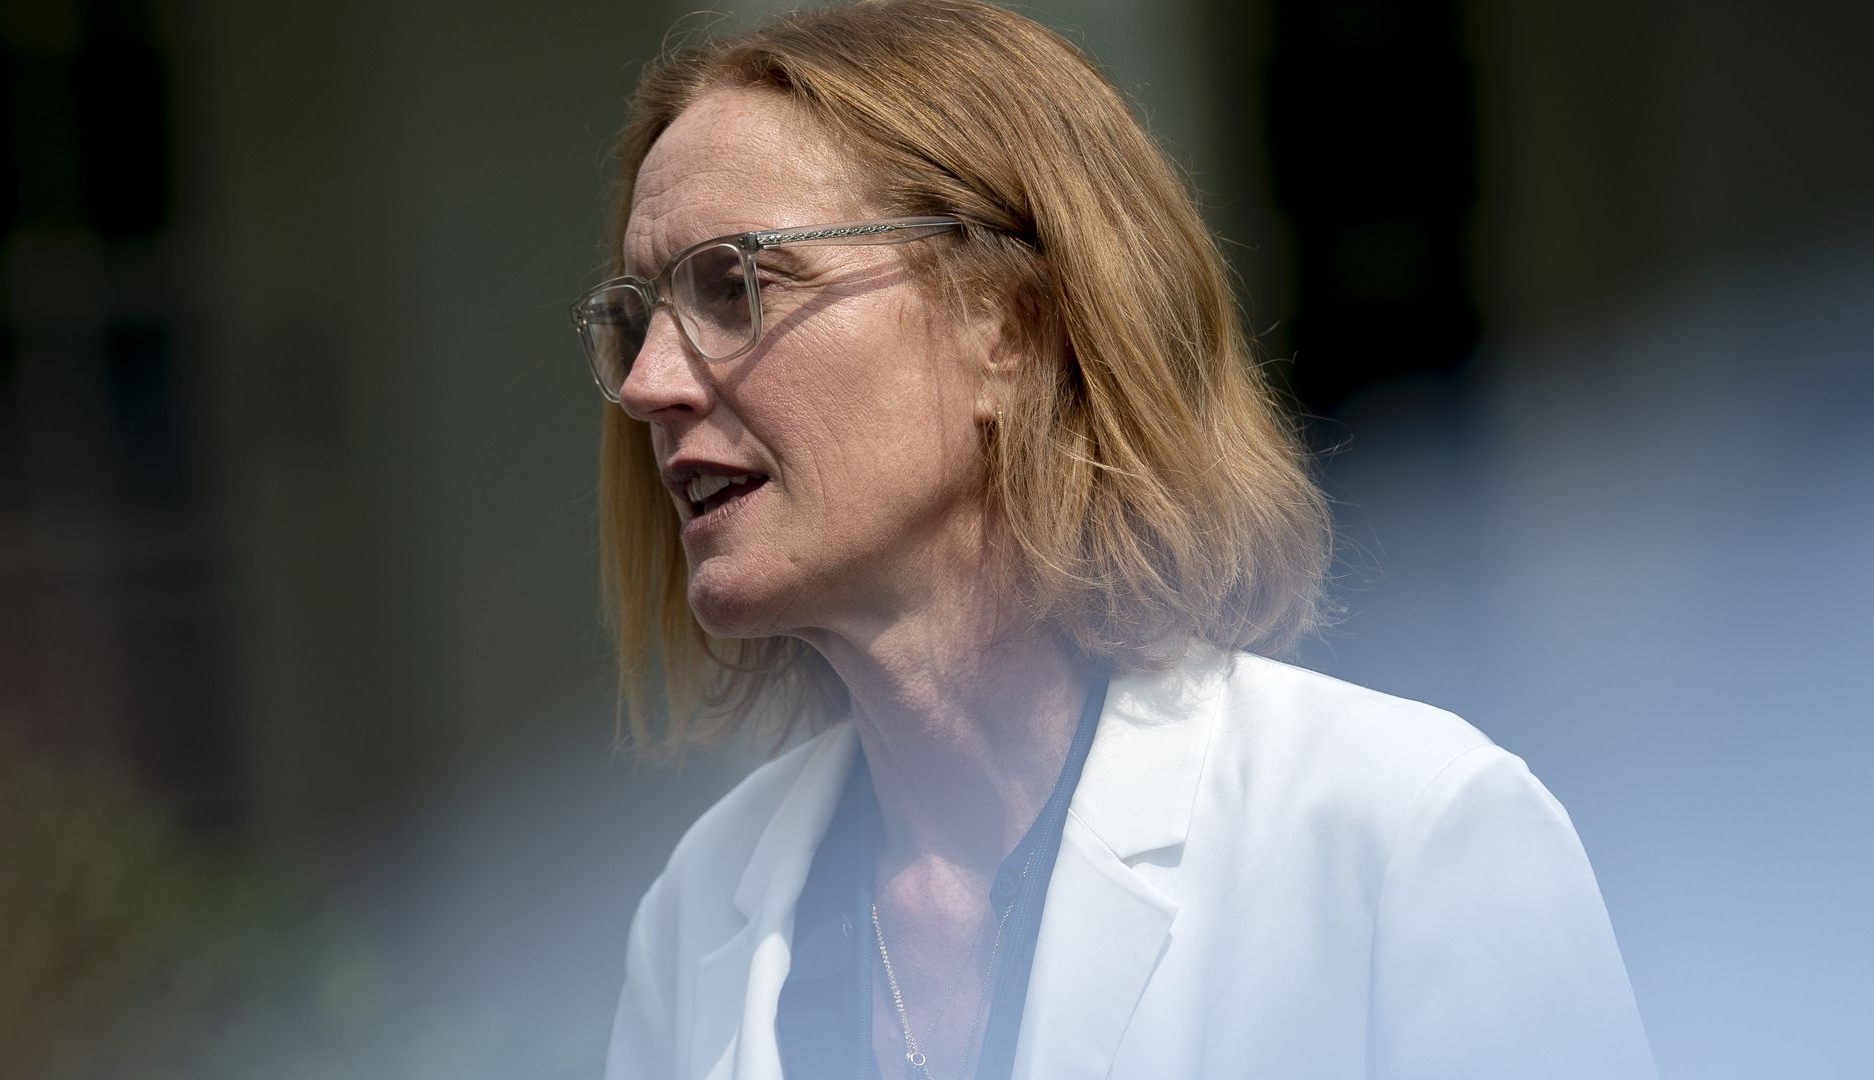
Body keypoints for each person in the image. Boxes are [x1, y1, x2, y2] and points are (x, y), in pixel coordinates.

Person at [576, 2, 1654, 1077]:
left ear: (1008, 324)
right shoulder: (694, 920)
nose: (648, 384)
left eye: (736, 285)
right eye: (638, 315)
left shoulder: (1404, 834)